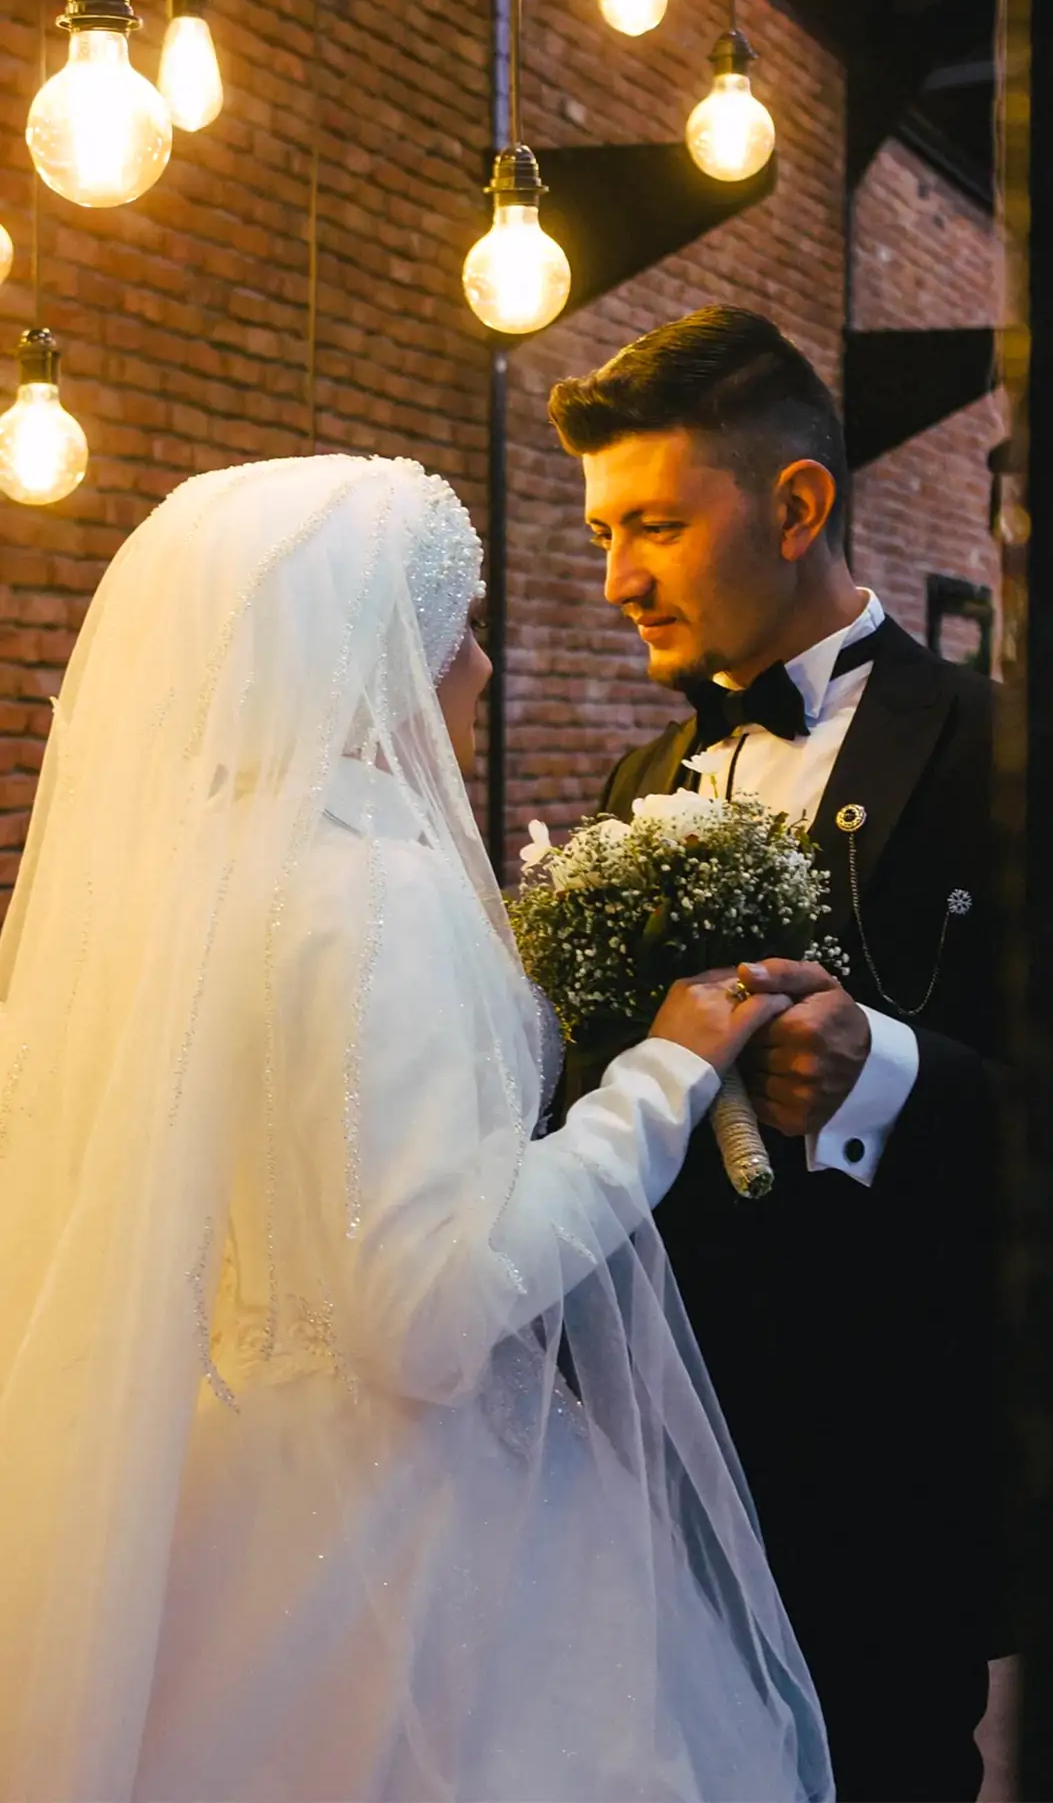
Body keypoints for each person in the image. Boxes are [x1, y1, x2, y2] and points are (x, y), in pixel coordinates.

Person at [0, 453, 832, 1803]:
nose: (485, 668)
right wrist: (665, 1075)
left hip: (206, 1511)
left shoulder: (175, 895)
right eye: (459, 632)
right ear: (370, 657)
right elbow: (432, 1311)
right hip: (412, 1547)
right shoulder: (375, 890)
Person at [549, 307, 1002, 1803]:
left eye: (656, 526)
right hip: (663, 1475)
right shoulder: (637, 779)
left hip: (891, 1476)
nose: (616, 580)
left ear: (797, 505)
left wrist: (892, 1076)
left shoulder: (1001, 752)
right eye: (605, 533)